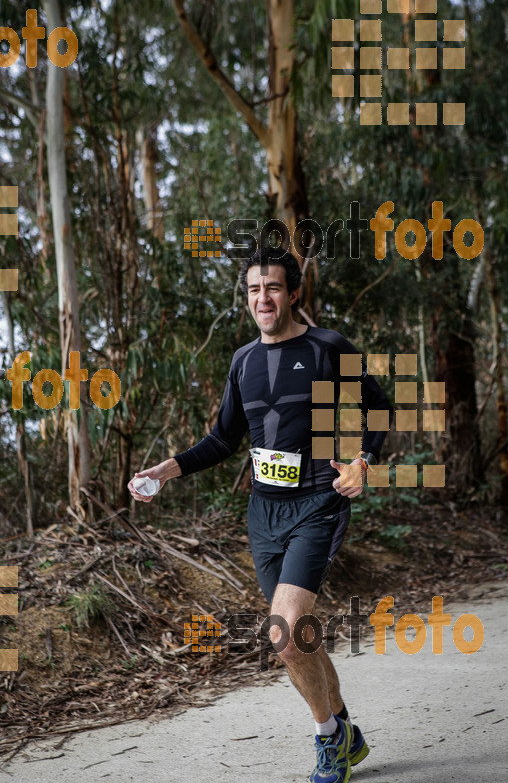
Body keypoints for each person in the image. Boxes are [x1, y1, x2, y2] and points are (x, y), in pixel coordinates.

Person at [128, 246, 393, 783]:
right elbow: (223, 439)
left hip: (318, 502)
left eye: (272, 288)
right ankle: (346, 730)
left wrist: (365, 461)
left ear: (293, 293)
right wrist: (164, 471)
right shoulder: (243, 360)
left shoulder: (326, 347)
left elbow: (379, 406)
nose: (262, 298)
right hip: (263, 512)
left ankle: (327, 740)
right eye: (253, 290)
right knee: (302, 637)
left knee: (284, 633)